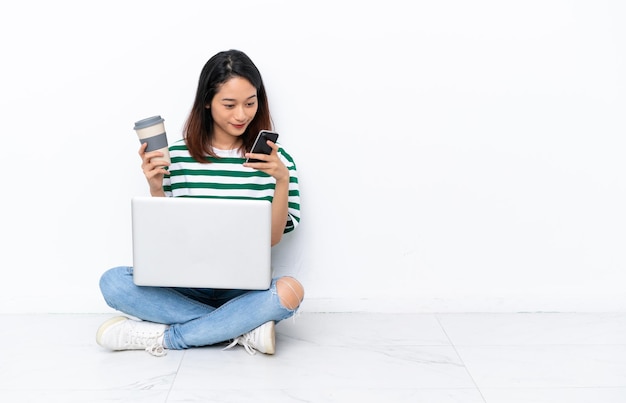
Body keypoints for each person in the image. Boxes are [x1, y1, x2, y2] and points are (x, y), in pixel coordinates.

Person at [96, 49, 304, 357]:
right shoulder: (176, 157)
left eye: (250, 103)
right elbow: (167, 240)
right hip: (184, 285)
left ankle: (167, 338)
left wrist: (282, 181)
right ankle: (242, 327)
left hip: (242, 289)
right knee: (113, 283)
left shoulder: (277, 163)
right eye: (229, 104)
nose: (241, 115)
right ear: (207, 101)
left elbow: (272, 239)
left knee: (290, 291)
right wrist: (156, 188)